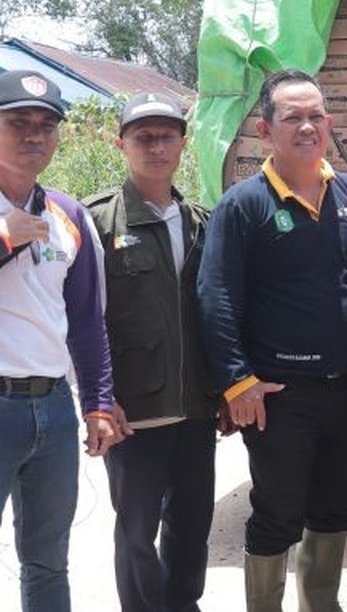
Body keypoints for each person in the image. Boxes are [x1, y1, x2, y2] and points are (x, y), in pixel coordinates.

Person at [198, 69, 347, 612]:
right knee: (278, 513)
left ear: (330, 123)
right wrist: (236, 382)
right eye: (292, 116)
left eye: (316, 115)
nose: (307, 126)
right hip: (277, 394)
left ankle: (322, 605)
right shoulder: (244, 205)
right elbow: (216, 296)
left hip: (343, 387)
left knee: (337, 507)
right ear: (266, 130)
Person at [85, 91, 221, 612]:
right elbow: (85, 320)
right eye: (144, 137)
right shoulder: (99, 223)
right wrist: (100, 399)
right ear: (122, 144)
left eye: (167, 136)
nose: (156, 147)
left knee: (192, 526)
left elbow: (216, 313)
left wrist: (224, 390)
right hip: (133, 413)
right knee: (137, 531)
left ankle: (183, 604)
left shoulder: (201, 223)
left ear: (183, 144)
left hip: (194, 409)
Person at [0, 69, 120, 610]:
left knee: (48, 559)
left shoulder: (67, 215)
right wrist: (5, 239)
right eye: (18, 123)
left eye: (46, 126)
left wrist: (96, 402)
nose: (33, 137)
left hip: (51, 409)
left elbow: (88, 321)